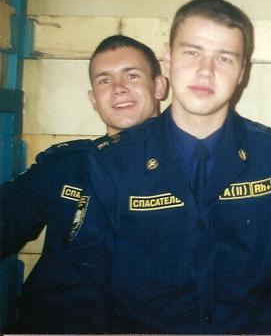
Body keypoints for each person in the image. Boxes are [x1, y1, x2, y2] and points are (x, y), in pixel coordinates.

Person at [73, 0, 271, 334]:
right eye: (192, 52)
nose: (206, 71)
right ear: (168, 58)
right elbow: (80, 282)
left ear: (242, 72)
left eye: (224, 58)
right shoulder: (113, 163)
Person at [0, 35, 167, 332]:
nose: (118, 88)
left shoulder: (196, 172)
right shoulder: (64, 166)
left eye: (132, 75)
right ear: (93, 100)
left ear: (159, 87)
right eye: (105, 80)